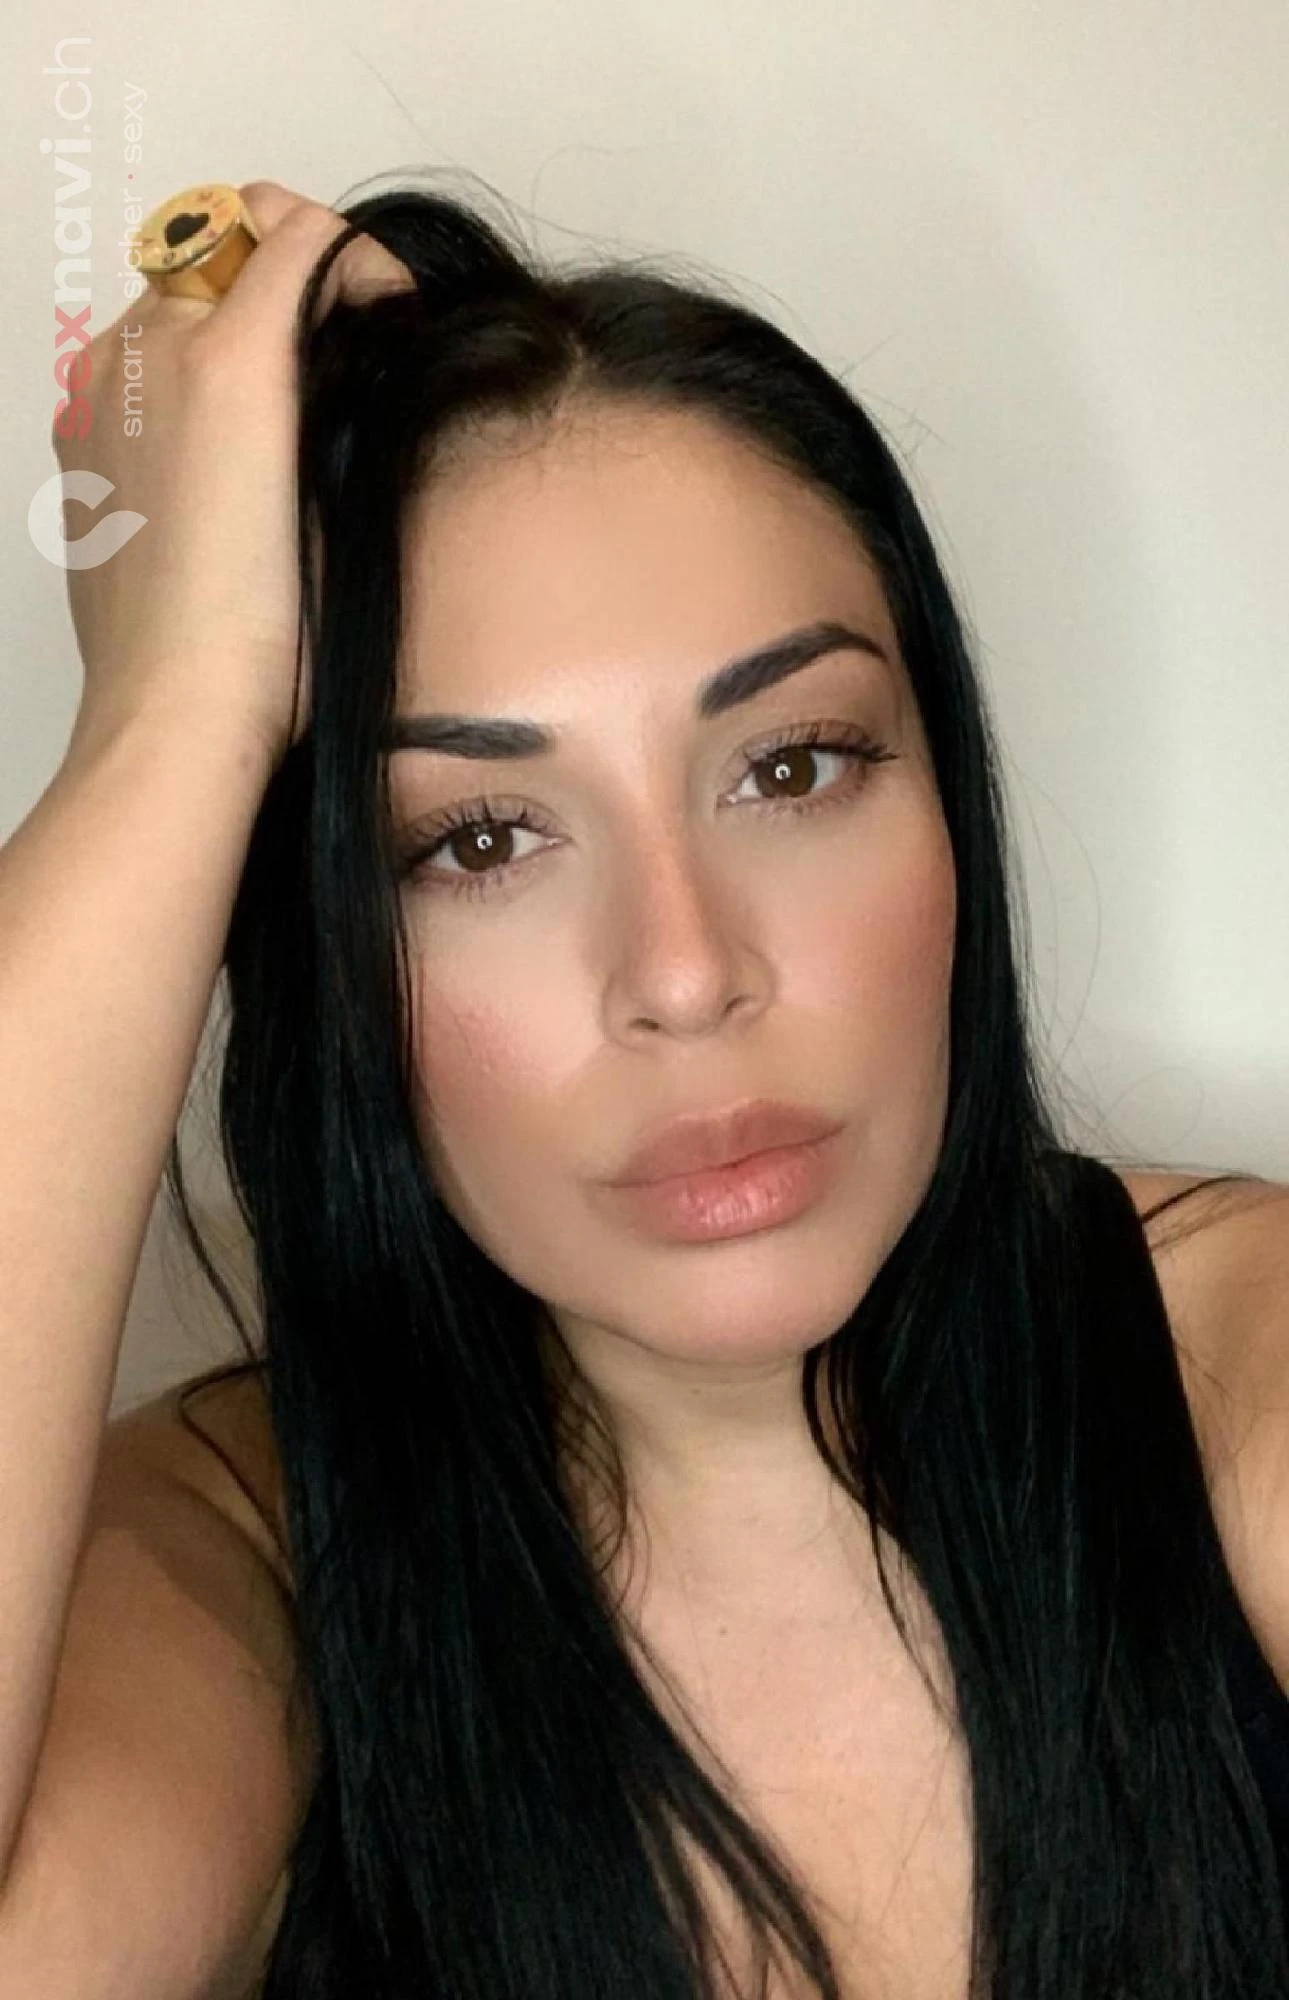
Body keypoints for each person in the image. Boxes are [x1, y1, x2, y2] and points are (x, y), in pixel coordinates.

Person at [2, 171, 1286, 2000]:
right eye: (479, 840)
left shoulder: (1238, 1360)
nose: (686, 973)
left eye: (794, 766)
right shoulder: (237, 1560)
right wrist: (167, 718)